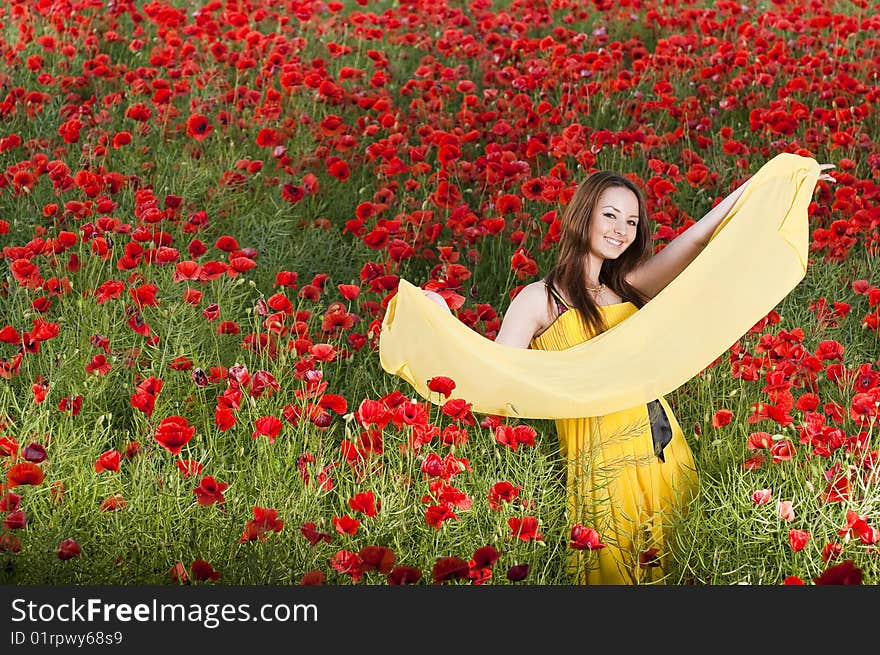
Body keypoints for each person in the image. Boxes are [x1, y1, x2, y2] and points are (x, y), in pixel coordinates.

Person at [421, 163, 836, 584]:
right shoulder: (538, 301)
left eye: (632, 221)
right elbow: (493, 374)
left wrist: (779, 179)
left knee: (678, 565)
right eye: (610, 215)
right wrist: (443, 323)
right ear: (583, 215)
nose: (622, 229)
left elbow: (698, 237)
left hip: (663, 447)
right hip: (601, 458)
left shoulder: (630, 286)